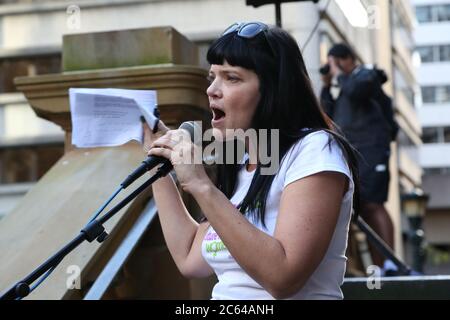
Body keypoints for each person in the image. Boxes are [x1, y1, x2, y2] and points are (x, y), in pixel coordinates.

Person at [143, 22, 360, 300]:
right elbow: (188, 256)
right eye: (213, 77)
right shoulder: (245, 163)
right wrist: (160, 166)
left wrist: (200, 184)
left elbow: (283, 277)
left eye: (231, 78)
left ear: (272, 90)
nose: (212, 90)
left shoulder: (315, 150)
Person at [320, 43, 396, 273]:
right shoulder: (343, 87)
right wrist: (325, 87)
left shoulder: (366, 75)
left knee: (374, 205)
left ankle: (389, 262)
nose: (333, 69)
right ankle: (377, 266)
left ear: (349, 59)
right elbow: (325, 117)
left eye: (336, 61)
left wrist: (339, 74)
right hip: (352, 153)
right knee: (360, 209)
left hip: (372, 149)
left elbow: (357, 91)